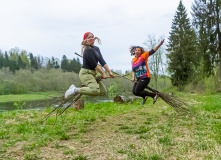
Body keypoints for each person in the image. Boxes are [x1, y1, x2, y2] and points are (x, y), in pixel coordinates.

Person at [65, 32, 114, 99]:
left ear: (94, 38)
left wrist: (109, 72)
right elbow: (94, 64)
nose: (91, 38)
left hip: (93, 74)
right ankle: (74, 90)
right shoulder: (88, 50)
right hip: (86, 74)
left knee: (103, 92)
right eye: (89, 37)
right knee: (95, 91)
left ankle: (77, 89)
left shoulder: (96, 48)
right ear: (85, 40)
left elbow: (102, 61)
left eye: (92, 36)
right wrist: (103, 73)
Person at [130, 39, 164, 105]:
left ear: (140, 51)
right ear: (134, 51)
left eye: (138, 50)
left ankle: (154, 95)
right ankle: (144, 96)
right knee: (135, 92)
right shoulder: (133, 60)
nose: (137, 51)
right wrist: (133, 77)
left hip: (145, 77)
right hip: (138, 78)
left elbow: (152, 51)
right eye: (136, 50)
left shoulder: (144, 56)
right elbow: (133, 70)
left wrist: (159, 45)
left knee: (138, 90)